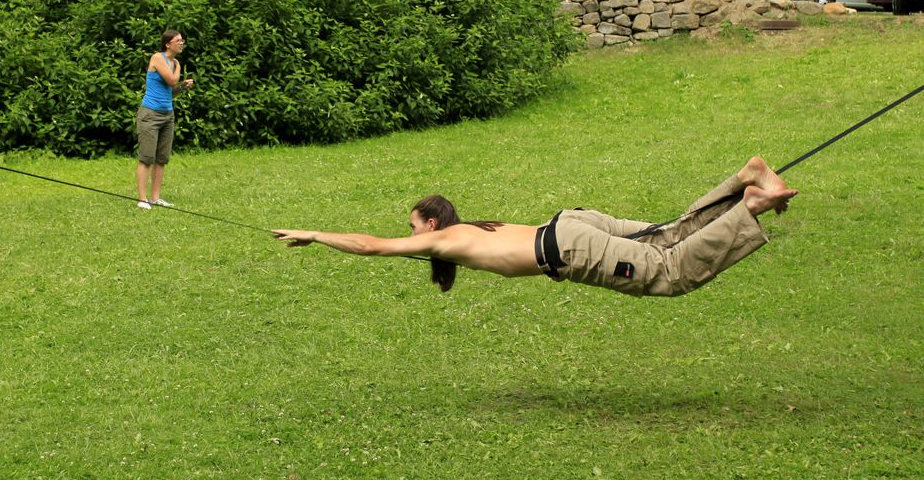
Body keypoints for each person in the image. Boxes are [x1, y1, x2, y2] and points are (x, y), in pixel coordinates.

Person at [272, 157, 798, 297]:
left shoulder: (446, 239)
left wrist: (315, 235)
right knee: (669, 237)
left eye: (412, 228)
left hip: (569, 245)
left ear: (430, 224)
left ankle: (748, 206)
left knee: (672, 270)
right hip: (570, 225)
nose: (411, 238)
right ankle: (745, 180)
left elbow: (370, 247)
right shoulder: (475, 229)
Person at [135, 29, 194, 210]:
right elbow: (170, 80)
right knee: (147, 158)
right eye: (178, 40)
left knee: (161, 159)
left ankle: (155, 198)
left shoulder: (175, 63)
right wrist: (177, 76)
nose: (181, 43)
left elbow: (171, 91)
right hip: (150, 115)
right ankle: (143, 200)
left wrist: (182, 87)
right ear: (168, 44)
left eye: (182, 40)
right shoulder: (158, 58)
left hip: (167, 116)